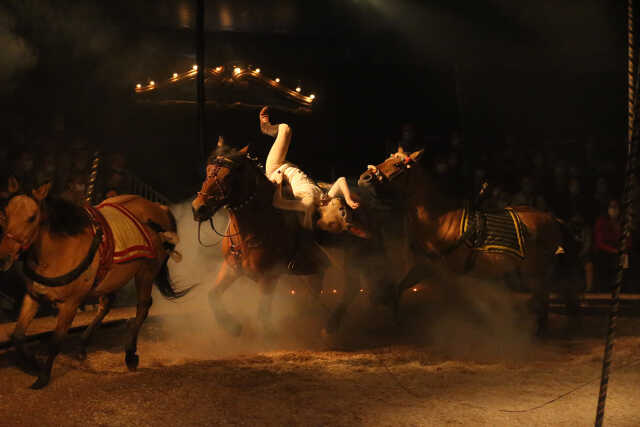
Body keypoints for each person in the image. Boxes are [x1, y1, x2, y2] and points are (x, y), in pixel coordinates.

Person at [258, 106, 361, 234]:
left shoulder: (308, 205)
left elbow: (277, 203)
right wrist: (348, 199)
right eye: (344, 211)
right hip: (289, 165)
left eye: (341, 215)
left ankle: (265, 126)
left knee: (285, 129)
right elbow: (341, 180)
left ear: (330, 220)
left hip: (276, 169)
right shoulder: (326, 198)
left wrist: (278, 183)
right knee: (286, 130)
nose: (342, 210)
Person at [593, 199, 622, 291]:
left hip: (619, 251)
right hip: (604, 252)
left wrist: (623, 249)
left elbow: (628, 238)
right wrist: (613, 250)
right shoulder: (602, 222)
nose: (614, 210)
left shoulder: (622, 222)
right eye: (612, 207)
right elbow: (600, 242)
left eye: (616, 207)